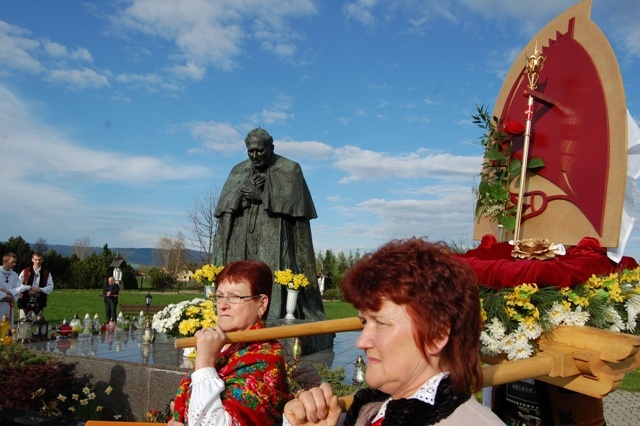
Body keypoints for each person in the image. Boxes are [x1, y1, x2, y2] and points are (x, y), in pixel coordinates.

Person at [283, 238, 505, 426]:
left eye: (381, 323)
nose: (361, 341)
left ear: (436, 335)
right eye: (364, 322)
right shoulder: (370, 410)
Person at [213, 128, 325, 321]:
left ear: (271, 148)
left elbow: (295, 204)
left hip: (274, 232)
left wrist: (262, 196)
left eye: (260, 151)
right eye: (250, 151)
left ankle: (276, 312)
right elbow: (224, 207)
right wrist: (242, 197)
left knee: (274, 274)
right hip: (243, 233)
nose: (254, 156)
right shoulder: (239, 170)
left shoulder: (290, 168)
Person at [168, 260, 292, 426]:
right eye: (219, 296)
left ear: (261, 304)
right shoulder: (226, 348)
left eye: (235, 297)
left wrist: (205, 363)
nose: (223, 305)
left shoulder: (266, 358)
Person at [18, 252, 54, 318]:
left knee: (37, 324)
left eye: (39, 259)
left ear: (42, 260)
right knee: (23, 324)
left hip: (39, 302)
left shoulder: (46, 273)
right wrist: (29, 289)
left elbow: (50, 287)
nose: (37, 262)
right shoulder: (26, 271)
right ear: (32, 259)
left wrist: (40, 290)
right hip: (25, 301)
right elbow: (18, 285)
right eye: (36, 259)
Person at [1, 252, 29, 325]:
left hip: (9, 305)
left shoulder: (14, 274)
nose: (14, 264)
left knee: (8, 328)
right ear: (5, 261)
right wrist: (5, 296)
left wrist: (9, 292)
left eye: (15, 262)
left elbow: (19, 288)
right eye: (12, 262)